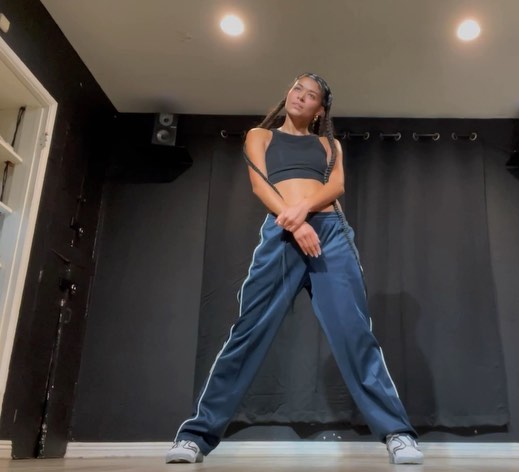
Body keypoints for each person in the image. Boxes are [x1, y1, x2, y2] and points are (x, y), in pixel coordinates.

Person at [165, 73, 423, 465]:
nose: (300, 96)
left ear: (320, 110)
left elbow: (336, 186)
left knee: (355, 335)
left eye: (311, 95)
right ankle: (195, 437)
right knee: (248, 333)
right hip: (283, 235)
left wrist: (303, 210)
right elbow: (260, 185)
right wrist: (296, 223)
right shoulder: (260, 136)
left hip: (331, 234)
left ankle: (398, 434)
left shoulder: (328, 144)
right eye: (297, 89)